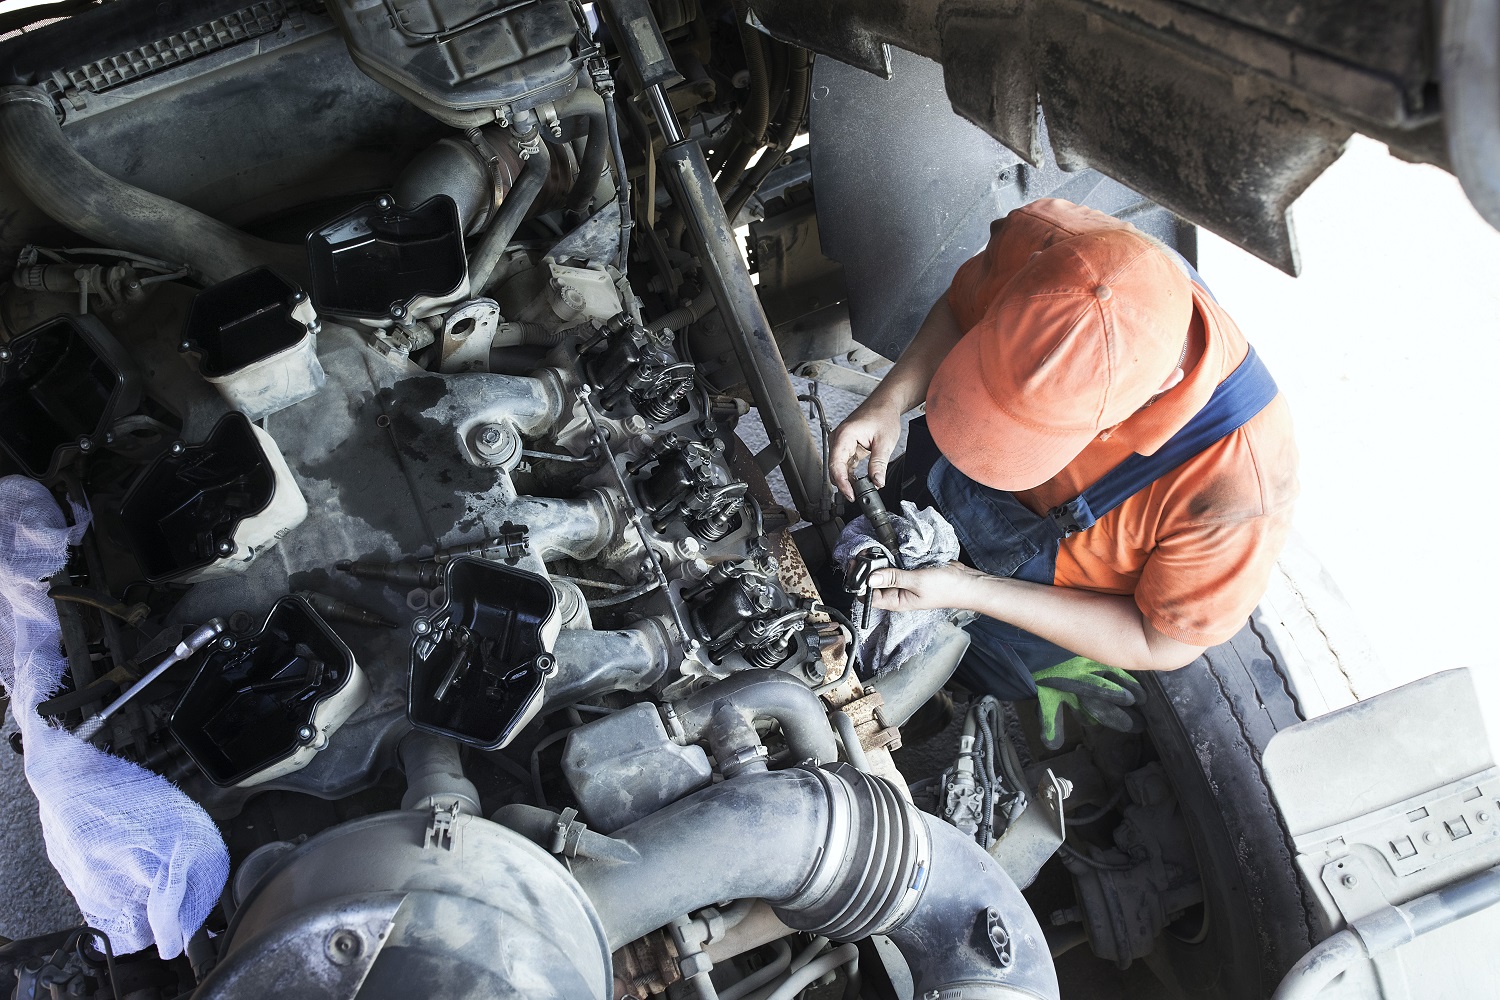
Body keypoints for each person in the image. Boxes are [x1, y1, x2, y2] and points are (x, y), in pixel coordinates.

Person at [828, 199, 1298, 747]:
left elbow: (1162, 643)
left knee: (980, 669)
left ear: (1137, 407)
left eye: (1024, 435)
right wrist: (889, 400)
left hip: (1028, 609)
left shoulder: (1237, 491)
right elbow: (961, 307)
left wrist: (973, 590)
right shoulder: (1053, 246)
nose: (990, 442)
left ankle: (958, 690)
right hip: (936, 489)